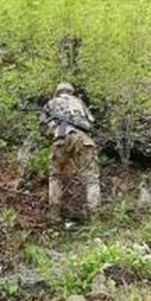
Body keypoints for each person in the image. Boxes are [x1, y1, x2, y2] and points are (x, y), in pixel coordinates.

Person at [39, 82, 100, 219]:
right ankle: (95, 217)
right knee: (91, 179)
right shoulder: (79, 103)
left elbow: (43, 128)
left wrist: (52, 133)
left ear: (57, 92)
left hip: (60, 139)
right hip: (83, 139)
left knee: (55, 177)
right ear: (71, 92)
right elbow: (91, 123)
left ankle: (54, 215)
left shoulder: (51, 103)